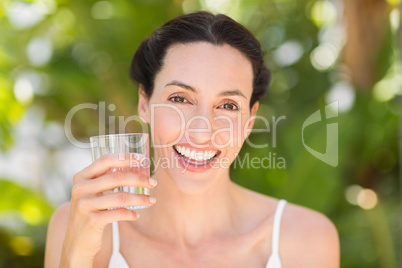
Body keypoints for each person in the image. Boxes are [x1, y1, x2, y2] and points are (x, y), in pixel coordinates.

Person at [45, 11, 340, 268]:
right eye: (180, 99)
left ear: (249, 121)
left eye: (228, 105)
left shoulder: (307, 240)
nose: (202, 131)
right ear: (144, 104)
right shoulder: (83, 225)